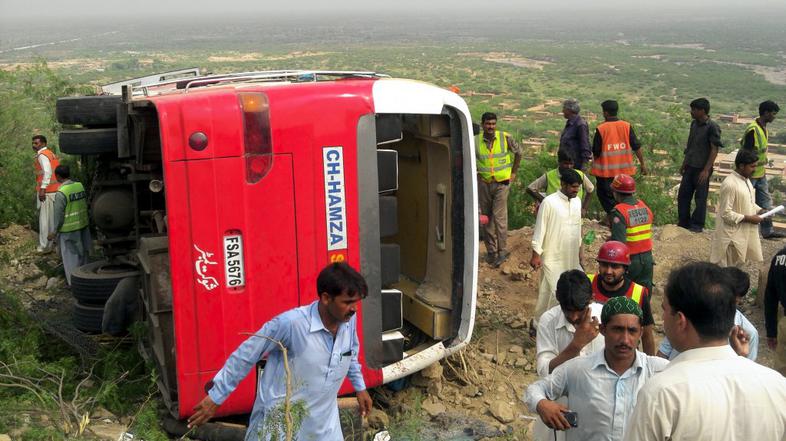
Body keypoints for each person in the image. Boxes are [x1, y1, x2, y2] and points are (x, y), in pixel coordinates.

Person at [188, 262, 373, 441]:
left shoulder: (347, 321)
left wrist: (360, 387)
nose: (354, 309)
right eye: (348, 302)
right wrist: (217, 396)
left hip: (323, 427)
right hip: (279, 425)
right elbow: (246, 354)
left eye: (356, 302)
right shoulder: (291, 324)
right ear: (326, 298)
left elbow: (350, 354)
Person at [624, 262, 786, 441]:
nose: (662, 317)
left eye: (664, 309)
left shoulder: (662, 394)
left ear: (680, 320)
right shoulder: (777, 386)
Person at [525, 296, 668, 441]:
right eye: (617, 329)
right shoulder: (577, 369)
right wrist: (542, 405)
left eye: (632, 331)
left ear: (641, 333)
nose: (625, 339)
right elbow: (535, 389)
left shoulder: (659, 372)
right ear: (603, 329)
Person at [532, 270, 605, 441]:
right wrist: (576, 345)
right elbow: (544, 371)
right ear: (558, 297)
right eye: (567, 310)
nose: (573, 316)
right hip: (562, 410)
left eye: (579, 310)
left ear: (591, 299)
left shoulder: (605, 317)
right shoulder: (548, 321)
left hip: (599, 409)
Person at [658, 266, 759, 361]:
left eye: (731, 300)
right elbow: (664, 351)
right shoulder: (689, 312)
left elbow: (746, 367)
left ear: (739, 299)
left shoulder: (749, 333)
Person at [531, 169, 584, 323]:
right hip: (551, 258)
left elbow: (578, 227)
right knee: (551, 293)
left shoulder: (577, 202)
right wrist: (536, 254)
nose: (576, 191)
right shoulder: (549, 202)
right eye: (573, 187)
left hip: (571, 257)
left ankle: (559, 326)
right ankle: (538, 324)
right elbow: (540, 229)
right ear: (563, 184)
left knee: (567, 294)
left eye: (578, 188)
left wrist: (580, 253)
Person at [587, 241, 655, 355]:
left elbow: (647, 336)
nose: (608, 271)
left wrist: (651, 367)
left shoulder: (638, 292)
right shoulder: (587, 283)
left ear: (625, 268)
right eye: (604, 265)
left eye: (615, 266)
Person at [476, 112, 523, 267]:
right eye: (488, 124)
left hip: (502, 184)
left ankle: (502, 251)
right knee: (486, 218)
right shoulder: (475, 141)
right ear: (482, 124)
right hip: (484, 184)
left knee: (499, 217)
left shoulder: (505, 138)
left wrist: (514, 172)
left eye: (493, 124)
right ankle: (491, 251)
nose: (491, 127)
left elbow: (519, 153)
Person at [591, 100, 648, 216]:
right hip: (625, 173)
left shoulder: (601, 128)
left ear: (605, 113)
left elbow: (596, 151)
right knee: (623, 197)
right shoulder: (626, 126)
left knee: (606, 196)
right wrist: (643, 164)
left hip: (606, 173)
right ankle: (622, 218)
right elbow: (636, 146)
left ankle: (615, 218)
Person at [709, 149, 763, 267]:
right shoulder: (730, 184)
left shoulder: (746, 181)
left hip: (741, 236)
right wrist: (749, 218)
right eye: (752, 166)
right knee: (724, 274)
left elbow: (748, 202)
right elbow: (726, 213)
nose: (754, 170)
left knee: (735, 274)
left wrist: (761, 210)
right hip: (730, 239)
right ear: (741, 166)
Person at [677, 98, 722, 233]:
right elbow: (690, 146)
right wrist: (684, 163)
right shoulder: (694, 124)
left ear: (702, 111)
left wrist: (706, 170)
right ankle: (683, 223)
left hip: (702, 169)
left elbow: (714, 149)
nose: (691, 112)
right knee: (683, 195)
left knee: (700, 198)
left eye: (694, 110)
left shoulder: (712, 127)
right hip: (690, 166)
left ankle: (697, 225)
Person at [741, 100, 782, 239]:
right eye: (773, 113)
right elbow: (747, 153)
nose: (774, 116)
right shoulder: (753, 129)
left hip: (760, 173)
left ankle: (767, 231)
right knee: (745, 203)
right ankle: (743, 232)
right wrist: (747, 171)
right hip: (750, 174)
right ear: (766, 113)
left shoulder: (763, 127)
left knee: (765, 204)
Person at [608, 174, 654, 294]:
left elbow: (619, 244)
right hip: (648, 259)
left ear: (616, 192)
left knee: (625, 291)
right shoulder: (644, 207)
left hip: (630, 261)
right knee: (643, 292)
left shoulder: (619, 211)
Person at [47, 165, 91, 286]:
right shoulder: (79, 186)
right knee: (84, 254)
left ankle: (75, 285)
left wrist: (54, 232)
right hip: (83, 225)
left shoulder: (61, 193)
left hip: (69, 230)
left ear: (58, 177)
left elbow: (58, 215)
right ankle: (88, 279)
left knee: (71, 259)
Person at [526, 149, 594, 216]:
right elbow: (530, 188)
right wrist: (545, 201)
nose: (569, 166)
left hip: (574, 213)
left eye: (571, 164)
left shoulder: (579, 175)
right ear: (559, 162)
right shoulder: (550, 176)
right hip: (554, 214)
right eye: (566, 163)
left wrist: (584, 209)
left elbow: (591, 189)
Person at [32, 135, 60, 252]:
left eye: (36, 143)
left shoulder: (42, 155)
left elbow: (47, 172)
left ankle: (44, 247)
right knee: (53, 220)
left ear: (43, 143)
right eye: (33, 143)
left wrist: (43, 189)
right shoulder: (50, 153)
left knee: (45, 220)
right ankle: (55, 245)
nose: (34, 145)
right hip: (55, 190)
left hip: (47, 192)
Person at [764, 245, 786, 375]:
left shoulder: (779, 257)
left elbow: (770, 297)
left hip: (784, 325)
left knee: (782, 374)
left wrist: (771, 331)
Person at [559, 99, 591, 171]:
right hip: (566, 164)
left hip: (575, 165)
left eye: (564, 108)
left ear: (570, 110)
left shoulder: (580, 124)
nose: (562, 111)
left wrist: (584, 165)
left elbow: (585, 145)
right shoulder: (570, 123)